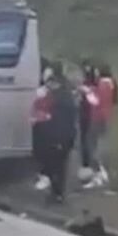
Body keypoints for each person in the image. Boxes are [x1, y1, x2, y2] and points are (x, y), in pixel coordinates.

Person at [42, 72, 77, 204]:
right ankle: (58, 192)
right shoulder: (66, 96)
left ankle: (56, 192)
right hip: (65, 137)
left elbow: (58, 121)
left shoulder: (57, 99)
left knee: (55, 165)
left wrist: (56, 139)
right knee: (60, 166)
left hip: (58, 137)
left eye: (49, 84)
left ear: (55, 83)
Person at [83, 64, 117, 188]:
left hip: (98, 119)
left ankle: (99, 174)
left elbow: (95, 101)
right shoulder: (111, 84)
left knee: (92, 146)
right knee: (99, 145)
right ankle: (102, 172)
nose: (95, 73)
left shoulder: (103, 84)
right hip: (105, 118)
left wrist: (87, 92)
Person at [31, 67, 54, 191]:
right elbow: (35, 107)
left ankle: (47, 176)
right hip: (39, 124)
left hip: (49, 125)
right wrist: (33, 118)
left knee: (47, 152)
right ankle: (43, 174)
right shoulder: (40, 91)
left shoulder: (54, 93)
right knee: (39, 151)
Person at [77, 64, 98, 181]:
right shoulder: (92, 85)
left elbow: (93, 101)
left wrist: (85, 92)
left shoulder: (88, 87)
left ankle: (88, 164)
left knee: (86, 141)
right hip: (87, 116)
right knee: (86, 140)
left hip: (87, 116)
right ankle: (88, 164)